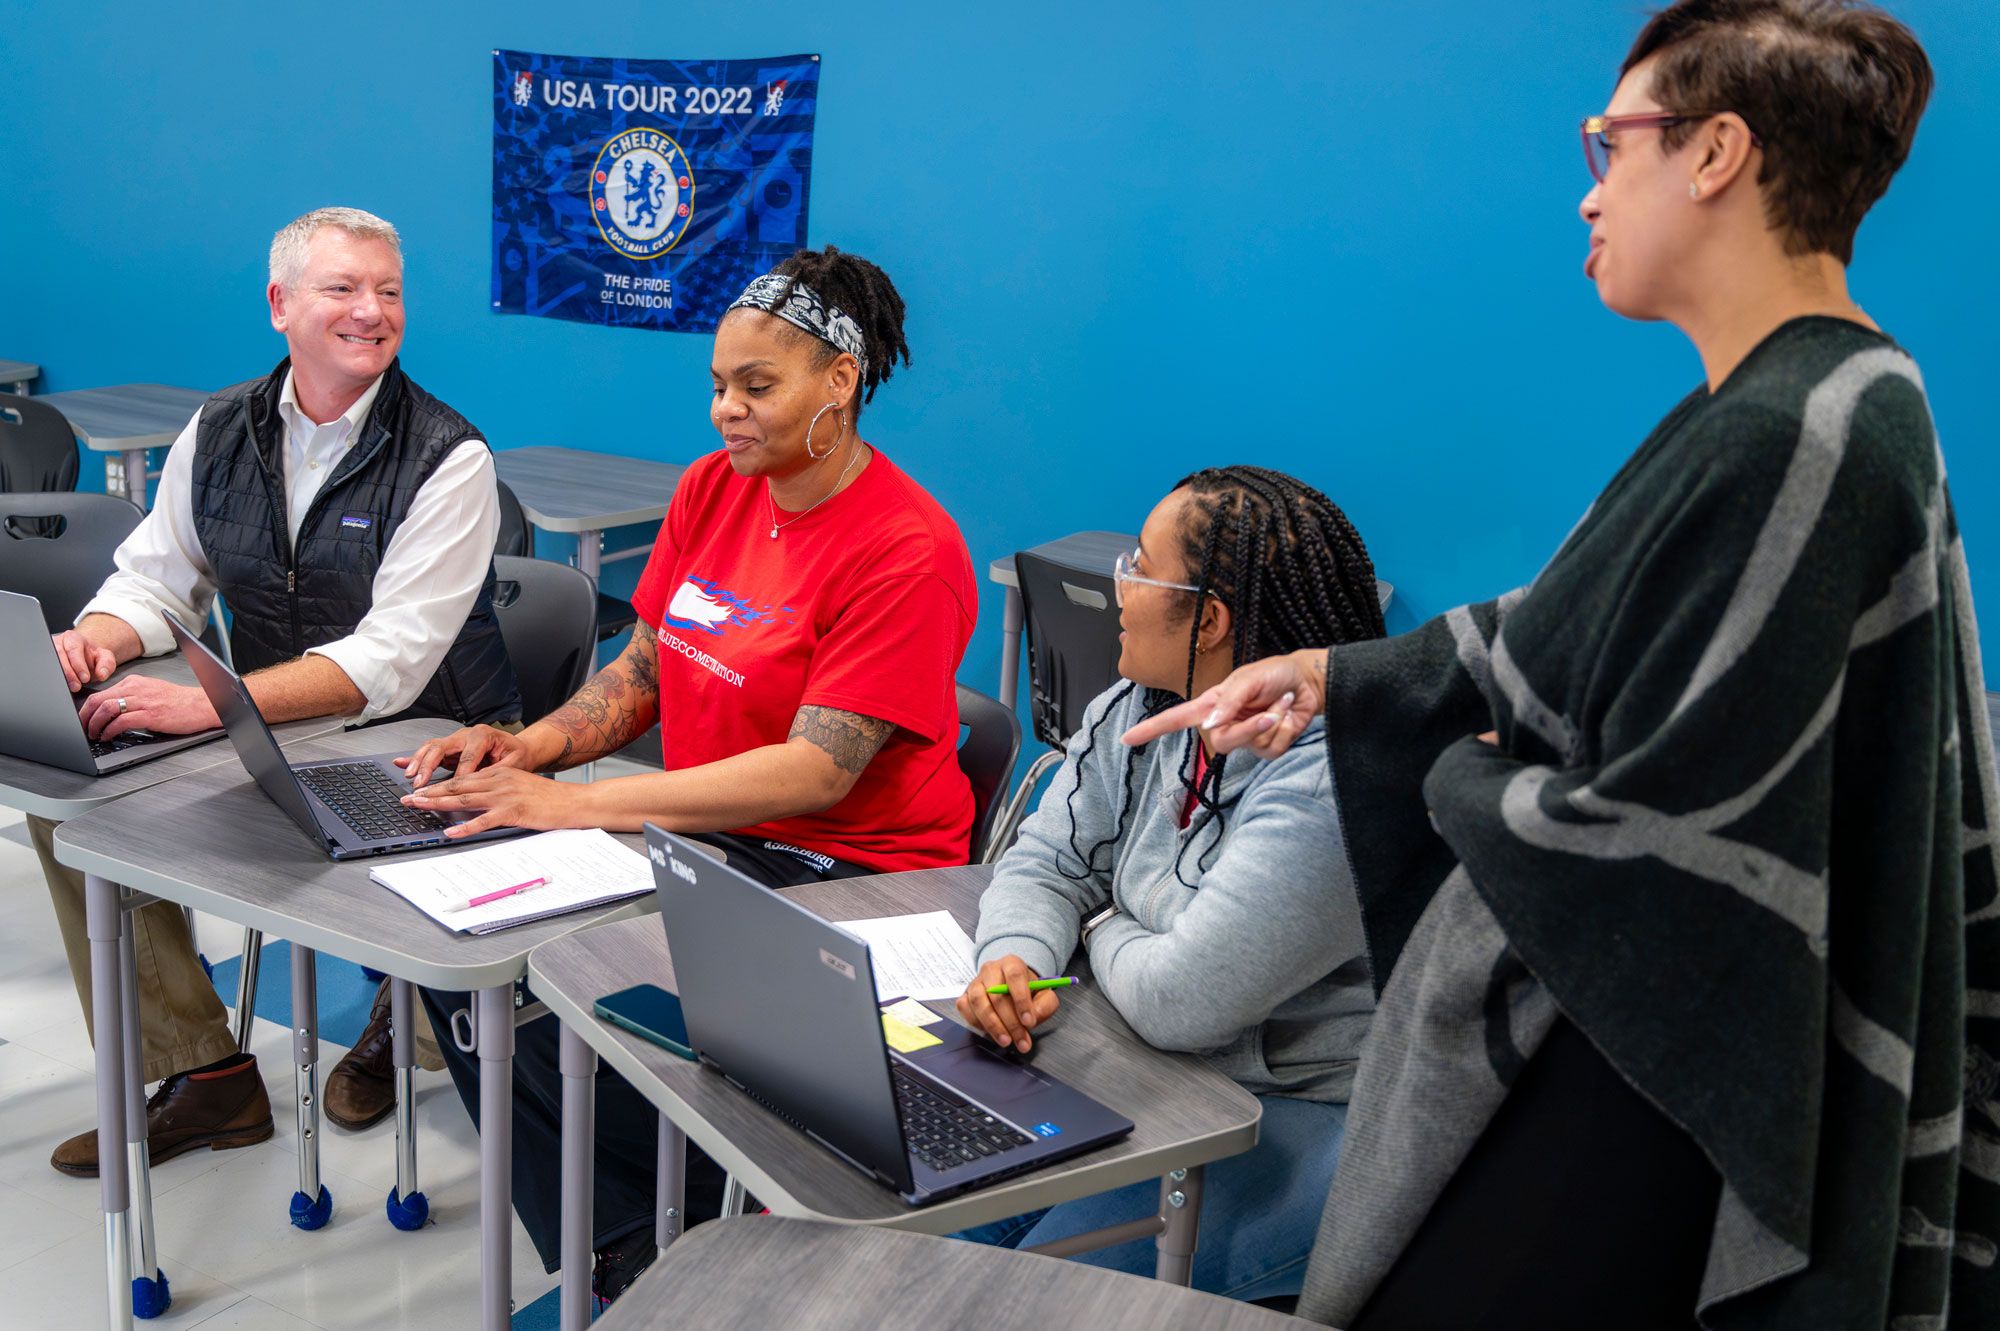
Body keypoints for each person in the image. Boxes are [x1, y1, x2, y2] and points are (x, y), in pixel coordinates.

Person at [1129, 4, 1998, 1327]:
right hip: (1641, 1037)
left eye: (1610, 142)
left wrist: (1467, 778)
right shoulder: (1799, 399)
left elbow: (1672, 838)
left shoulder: (1800, 431)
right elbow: (1578, 618)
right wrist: (1332, 675)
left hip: (1645, 1069)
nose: (1589, 192)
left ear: (1715, 153)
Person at [400, 246, 978, 1302]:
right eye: (718, 384)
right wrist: (534, 746)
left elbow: (815, 772)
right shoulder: (716, 488)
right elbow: (648, 663)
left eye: (757, 387)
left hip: (847, 872)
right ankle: (630, 1250)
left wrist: (580, 807)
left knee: (576, 1008)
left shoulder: (907, 546)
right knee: (464, 967)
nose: (726, 410)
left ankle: (714, 1237)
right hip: (709, 843)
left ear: (838, 382)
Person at [32, 206, 522, 1177]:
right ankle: (205, 1071)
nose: (372, 311)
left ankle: (411, 1013)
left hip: (430, 742)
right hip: (273, 730)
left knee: (433, 975)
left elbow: (391, 659)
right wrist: (95, 637)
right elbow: (155, 576)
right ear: (280, 304)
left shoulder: (449, 457)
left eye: (388, 291)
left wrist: (210, 703)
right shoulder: (218, 427)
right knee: (70, 818)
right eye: (343, 288)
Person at [954, 466, 1384, 1301]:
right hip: (1153, 1067)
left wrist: (1097, 919)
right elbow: (1043, 861)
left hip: (1305, 1112)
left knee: (1031, 1294)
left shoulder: (1333, 779)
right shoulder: (1139, 707)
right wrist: (1012, 954)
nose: (1118, 585)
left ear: (1212, 619)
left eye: (1137, 568)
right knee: (934, 1216)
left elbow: (1186, 999)